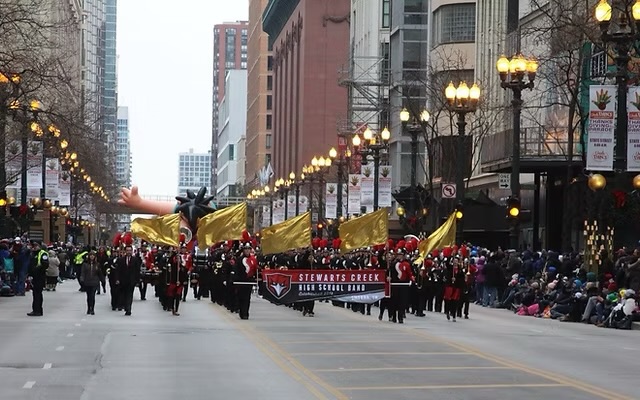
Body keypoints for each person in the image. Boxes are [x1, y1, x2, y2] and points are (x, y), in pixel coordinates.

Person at [115, 245, 141, 316]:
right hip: (123, 280)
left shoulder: (135, 260)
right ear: (125, 251)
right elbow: (118, 270)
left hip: (131, 281)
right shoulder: (121, 260)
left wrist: (137, 281)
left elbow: (137, 271)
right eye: (127, 250)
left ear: (132, 251)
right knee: (123, 294)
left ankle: (128, 308)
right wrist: (117, 279)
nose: (129, 252)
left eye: (130, 250)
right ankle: (124, 305)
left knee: (129, 295)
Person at [234, 243, 257, 320]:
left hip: (249, 281)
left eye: (248, 249)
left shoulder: (254, 259)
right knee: (241, 297)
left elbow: (256, 270)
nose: (247, 251)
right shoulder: (239, 259)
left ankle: (245, 313)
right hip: (240, 281)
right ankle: (241, 311)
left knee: (247, 298)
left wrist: (257, 277)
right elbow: (236, 270)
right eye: (245, 249)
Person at [27, 241, 49, 317]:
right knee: (35, 294)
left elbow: (45, 265)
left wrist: (37, 270)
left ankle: (38, 310)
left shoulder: (43, 254)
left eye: (36, 245)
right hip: (34, 277)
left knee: (38, 293)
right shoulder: (33, 253)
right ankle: (35, 309)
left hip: (40, 276)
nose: (35, 247)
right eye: (34, 245)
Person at [80, 251, 104, 315]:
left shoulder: (97, 265)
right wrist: (82, 279)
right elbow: (83, 273)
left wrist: (102, 281)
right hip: (87, 282)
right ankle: (88, 308)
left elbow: (100, 274)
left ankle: (92, 309)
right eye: (91, 255)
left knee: (92, 296)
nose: (92, 257)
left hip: (94, 282)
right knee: (88, 296)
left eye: (93, 255)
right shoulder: (85, 264)